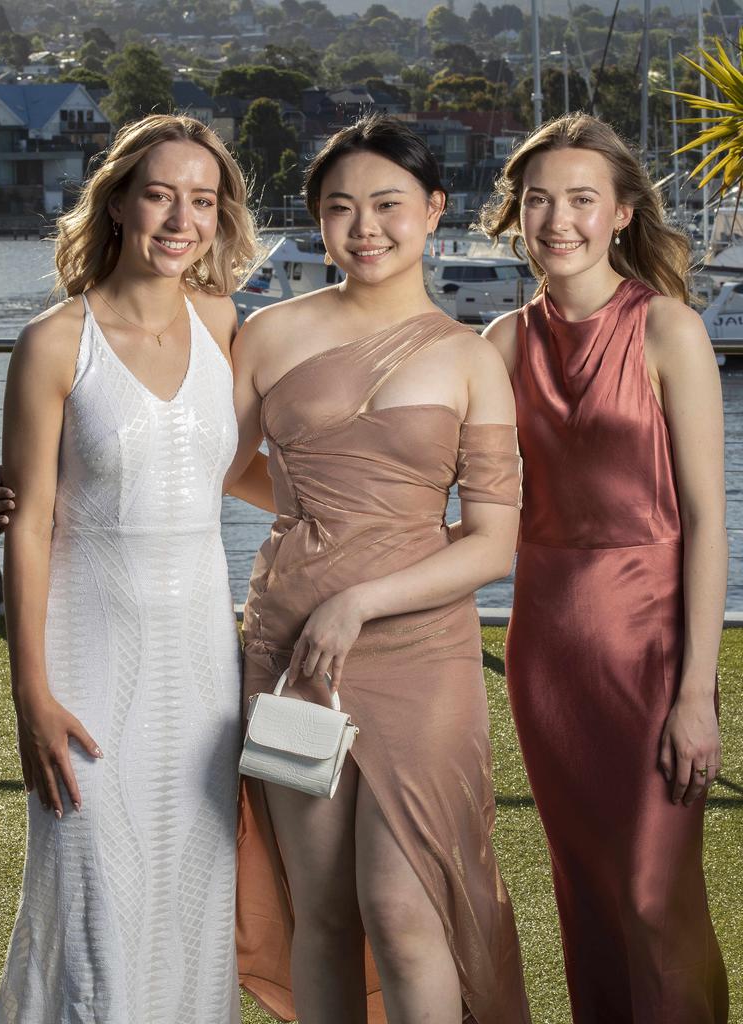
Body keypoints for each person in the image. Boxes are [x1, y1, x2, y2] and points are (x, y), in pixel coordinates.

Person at [230, 114, 530, 1024]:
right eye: (340, 208)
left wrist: (360, 593)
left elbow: (492, 540)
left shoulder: (472, 358)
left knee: (404, 914)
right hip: (289, 649)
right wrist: (314, 522)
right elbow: (202, 469)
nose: (366, 228)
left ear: (435, 209)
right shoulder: (265, 335)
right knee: (318, 912)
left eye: (388, 205)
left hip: (422, 652)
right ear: (317, 220)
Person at [0, 113, 272, 1024]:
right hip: (85, 658)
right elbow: (26, 526)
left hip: (200, 668)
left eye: (202, 198)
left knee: (193, 894)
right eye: (160, 194)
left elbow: (226, 468)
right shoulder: (53, 342)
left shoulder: (227, 321)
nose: (180, 218)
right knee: (91, 892)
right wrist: (29, 691)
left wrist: (368, 510)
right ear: (117, 203)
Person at [481, 113, 728, 1023]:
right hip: (548, 657)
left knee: (657, 898)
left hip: (654, 654)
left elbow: (706, 521)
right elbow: (419, 478)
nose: (558, 219)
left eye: (582, 199)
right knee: (586, 897)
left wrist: (696, 693)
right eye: (539, 199)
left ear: (622, 213)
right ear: (516, 213)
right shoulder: (500, 345)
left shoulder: (670, 330)